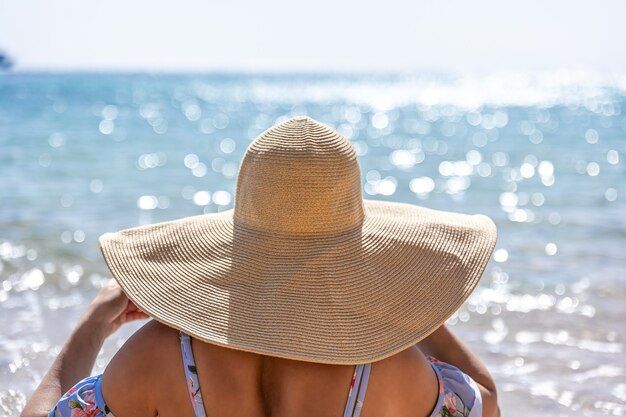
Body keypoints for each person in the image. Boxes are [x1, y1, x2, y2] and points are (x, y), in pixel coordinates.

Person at [22, 116, 500, 417]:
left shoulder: (160, 355)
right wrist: (402, 310)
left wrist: (91, 327)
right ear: (362, 259)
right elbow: (488, 402)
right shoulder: (392, 372)